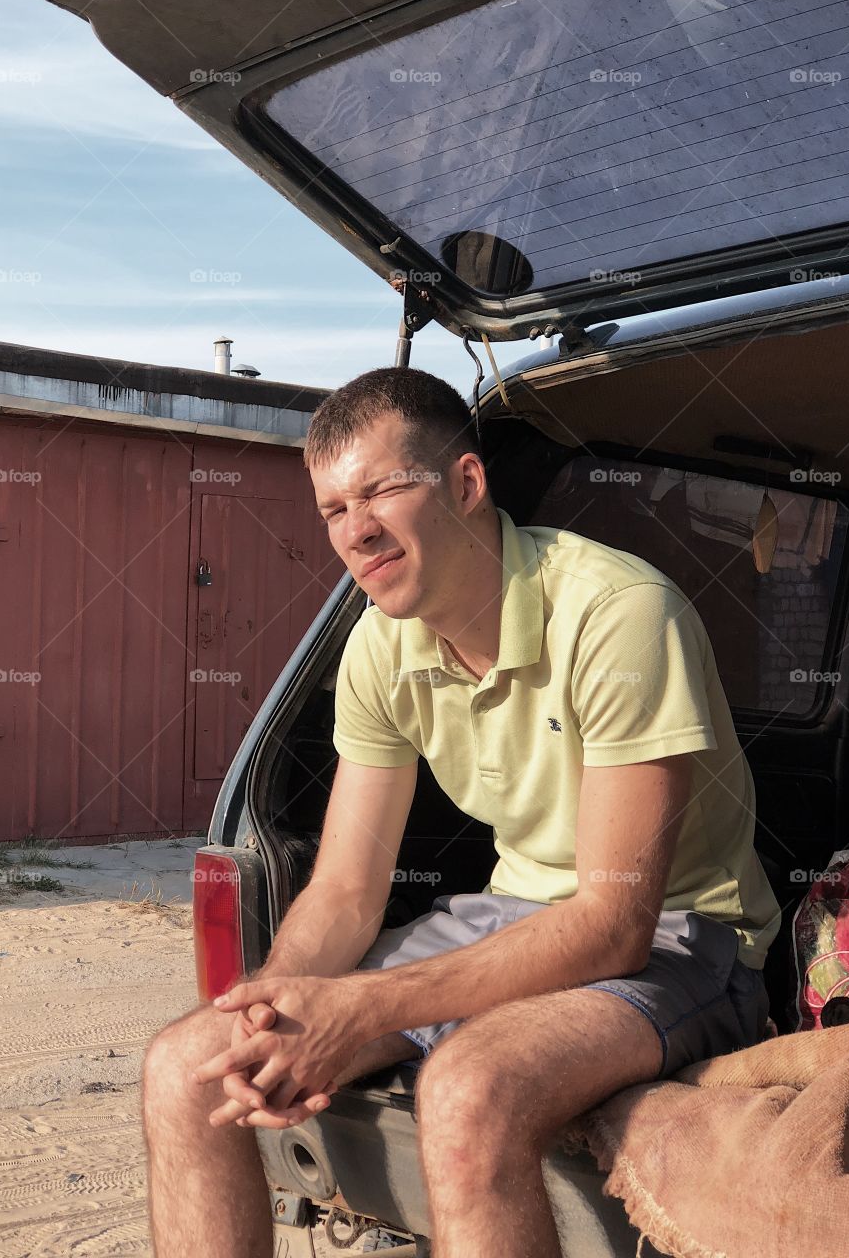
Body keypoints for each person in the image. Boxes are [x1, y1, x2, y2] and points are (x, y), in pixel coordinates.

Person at [143, 366, 780, 1258]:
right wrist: (275, 1008)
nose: (356, 529)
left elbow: (612, 926)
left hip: (682, 939)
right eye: (333, 509)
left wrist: (359, 1008)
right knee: (187, 1066)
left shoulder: (619, 614)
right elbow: (345, 893)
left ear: (467, 483)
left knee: (466, 1090)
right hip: (506, 916)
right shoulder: (377, 647)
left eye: (381, 491)